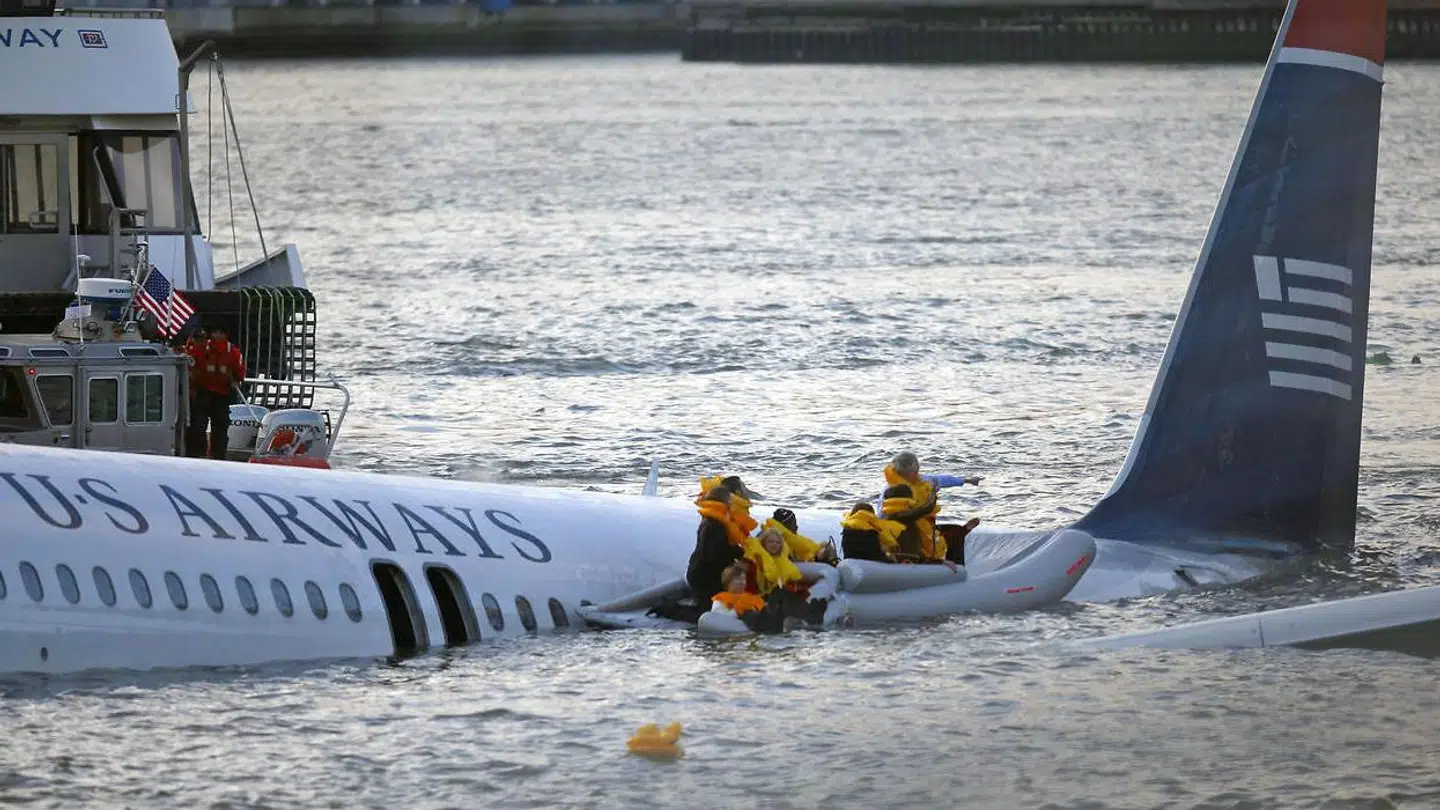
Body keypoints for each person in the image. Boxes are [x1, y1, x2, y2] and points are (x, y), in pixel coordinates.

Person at [878, 451, 982, 562]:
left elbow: (941, 480)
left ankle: (955, 567)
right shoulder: (890, 491)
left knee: (955, 532)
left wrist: (966, 480)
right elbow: (884, 516)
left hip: (925, 527)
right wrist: (926, 508)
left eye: (916, 471)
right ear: (900, 472)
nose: (916, 474)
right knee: (953, 534)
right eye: (912, 472)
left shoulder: (924, 480)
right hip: (902, 532)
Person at [185, 325, 246, 460]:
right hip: (203, 391)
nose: (217, 335)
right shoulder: (200, 348)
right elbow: (190, 362)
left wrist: (235, 380)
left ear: (226, 335)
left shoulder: (233, 352)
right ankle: (197, 454)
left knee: (220, 426)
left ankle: (218, 455)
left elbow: (240, 374)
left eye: (220, 332)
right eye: (215, 332)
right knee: (198, 424)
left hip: (222, 394)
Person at [684, 486, 748, 608]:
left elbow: (724, 546)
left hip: (701, 571)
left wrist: (742, 554)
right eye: (730, 500)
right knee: (705, 608)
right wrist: (735, 564)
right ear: (724, 501)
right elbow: (714, 553)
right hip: (704, 576)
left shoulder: (714, 521)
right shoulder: (714, 525)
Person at [764, 507, 838, 565]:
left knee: (824, 544)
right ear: (784, 526)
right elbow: (794, 562)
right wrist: (818, 558)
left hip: (811, 555)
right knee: (827, 551)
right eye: (793, 523)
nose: (796, 526)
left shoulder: (785, 535)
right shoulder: (780, 541)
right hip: (805, 566)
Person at [839, 502, 905, 562]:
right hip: (873, 565)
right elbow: (875, 554)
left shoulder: (847, 530)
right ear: (871, 515)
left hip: (850, 563)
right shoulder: (873, 530)